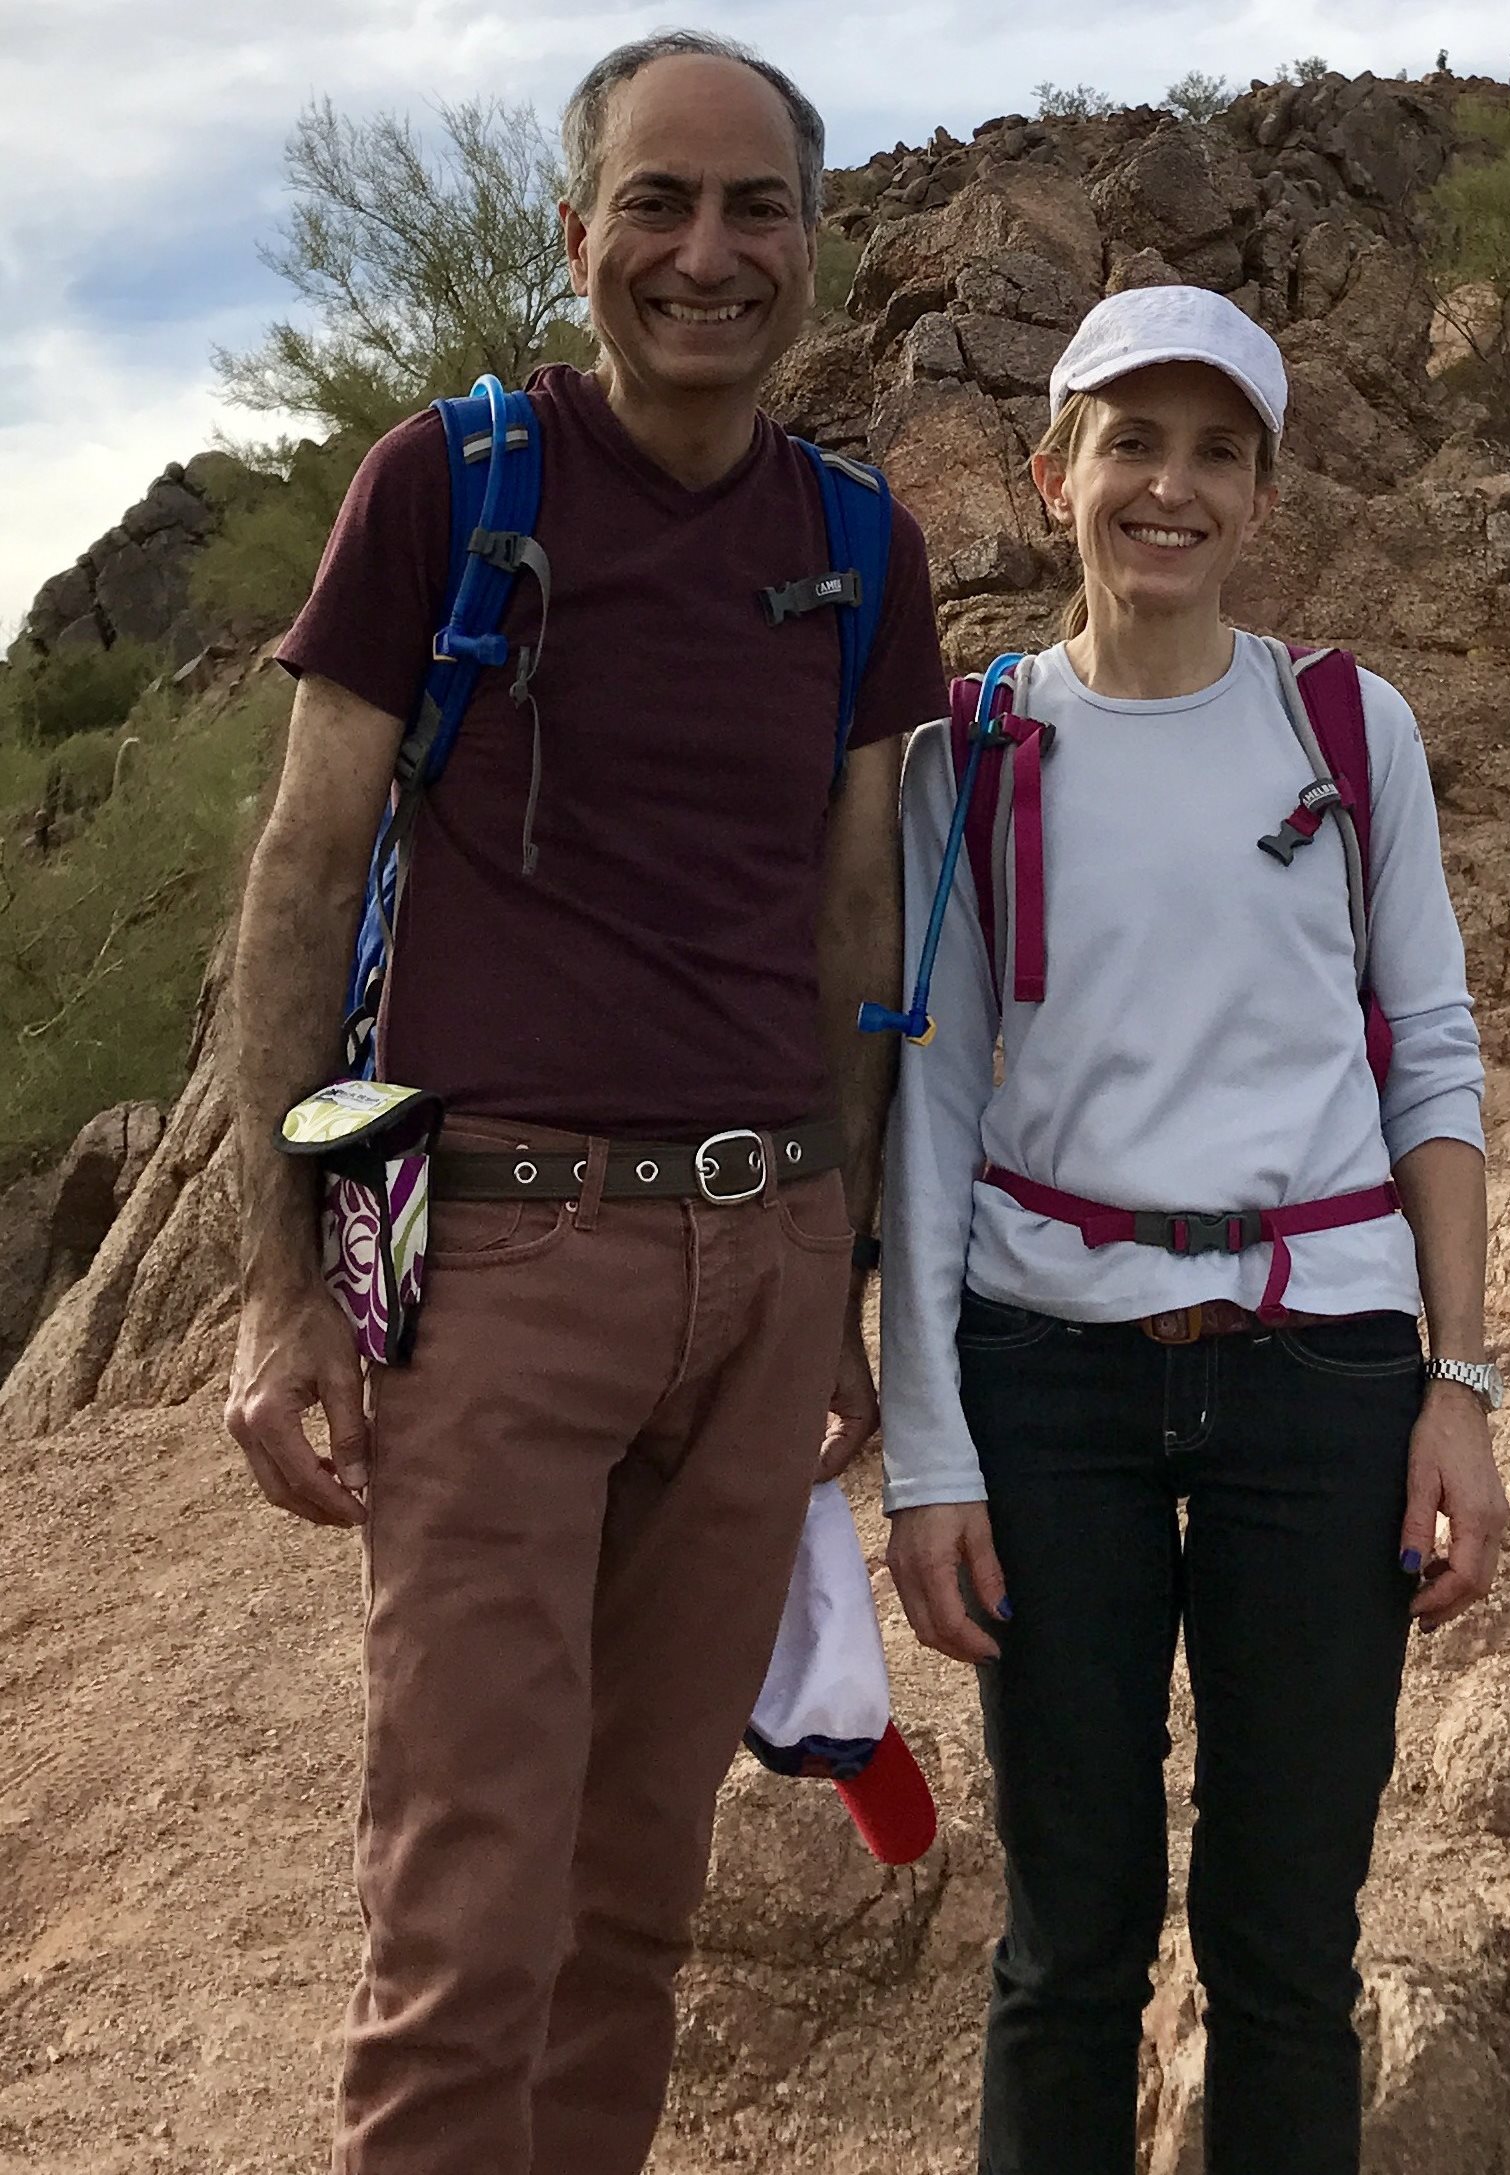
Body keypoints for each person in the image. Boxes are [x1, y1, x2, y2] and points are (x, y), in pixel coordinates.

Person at [223, 29, 945, 2175]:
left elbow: (854, 929)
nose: (705, 254)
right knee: (468, 1928)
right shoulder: (446, 487)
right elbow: (304, 870)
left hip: (769, 1256)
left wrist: (843, 1283)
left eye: (755, 210)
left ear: (815, 247)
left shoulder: (857, 541)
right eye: (659, 201)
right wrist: (288, 1295)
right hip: (496, 1262)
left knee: (633, 1912)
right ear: (576, 235)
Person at [877, 285, 1509, 2175]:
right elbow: (932, 1104)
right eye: (1131, 443)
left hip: (1324, 1380)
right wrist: (929, 1450)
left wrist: (1456, 1389)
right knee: (1067, 1941)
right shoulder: (969, 753)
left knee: (1287, 1945)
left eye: (1217, 449)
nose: (1171, 485)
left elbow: (1436, 1061)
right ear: (1049, 470)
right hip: (1046, 1379)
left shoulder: (1344, 726)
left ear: (1261, 491)